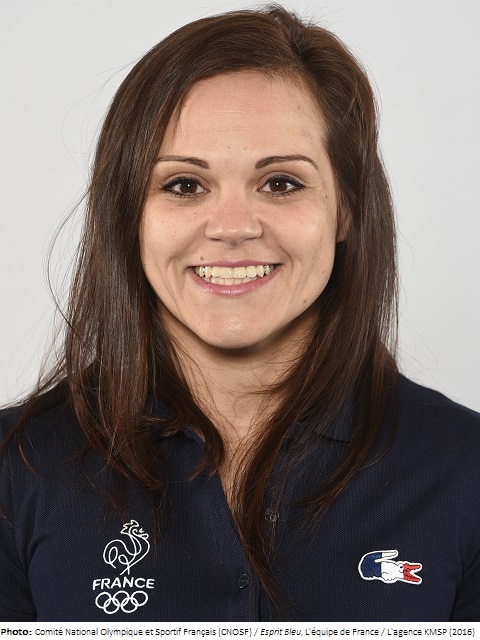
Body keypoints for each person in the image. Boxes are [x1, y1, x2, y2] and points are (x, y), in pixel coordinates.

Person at [0, 4, 479, 623]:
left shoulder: (465, 469)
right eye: (184, 185)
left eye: (280, 183)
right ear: (128, 215)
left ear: (347, 210)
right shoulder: (15, 471)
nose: (232, 227)